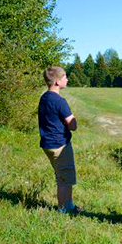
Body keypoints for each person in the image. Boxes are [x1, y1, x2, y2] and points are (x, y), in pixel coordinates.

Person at [38, 66, 81, 214]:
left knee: (61, 175)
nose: (67, 79)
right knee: (65, 179)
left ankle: (68, 206)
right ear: (57, 82)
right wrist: (71, 119)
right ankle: (65, 209)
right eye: (65, 77)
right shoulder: (60, 101)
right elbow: (73, 125)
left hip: (47, 144)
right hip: (60, 145)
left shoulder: (44, 97)